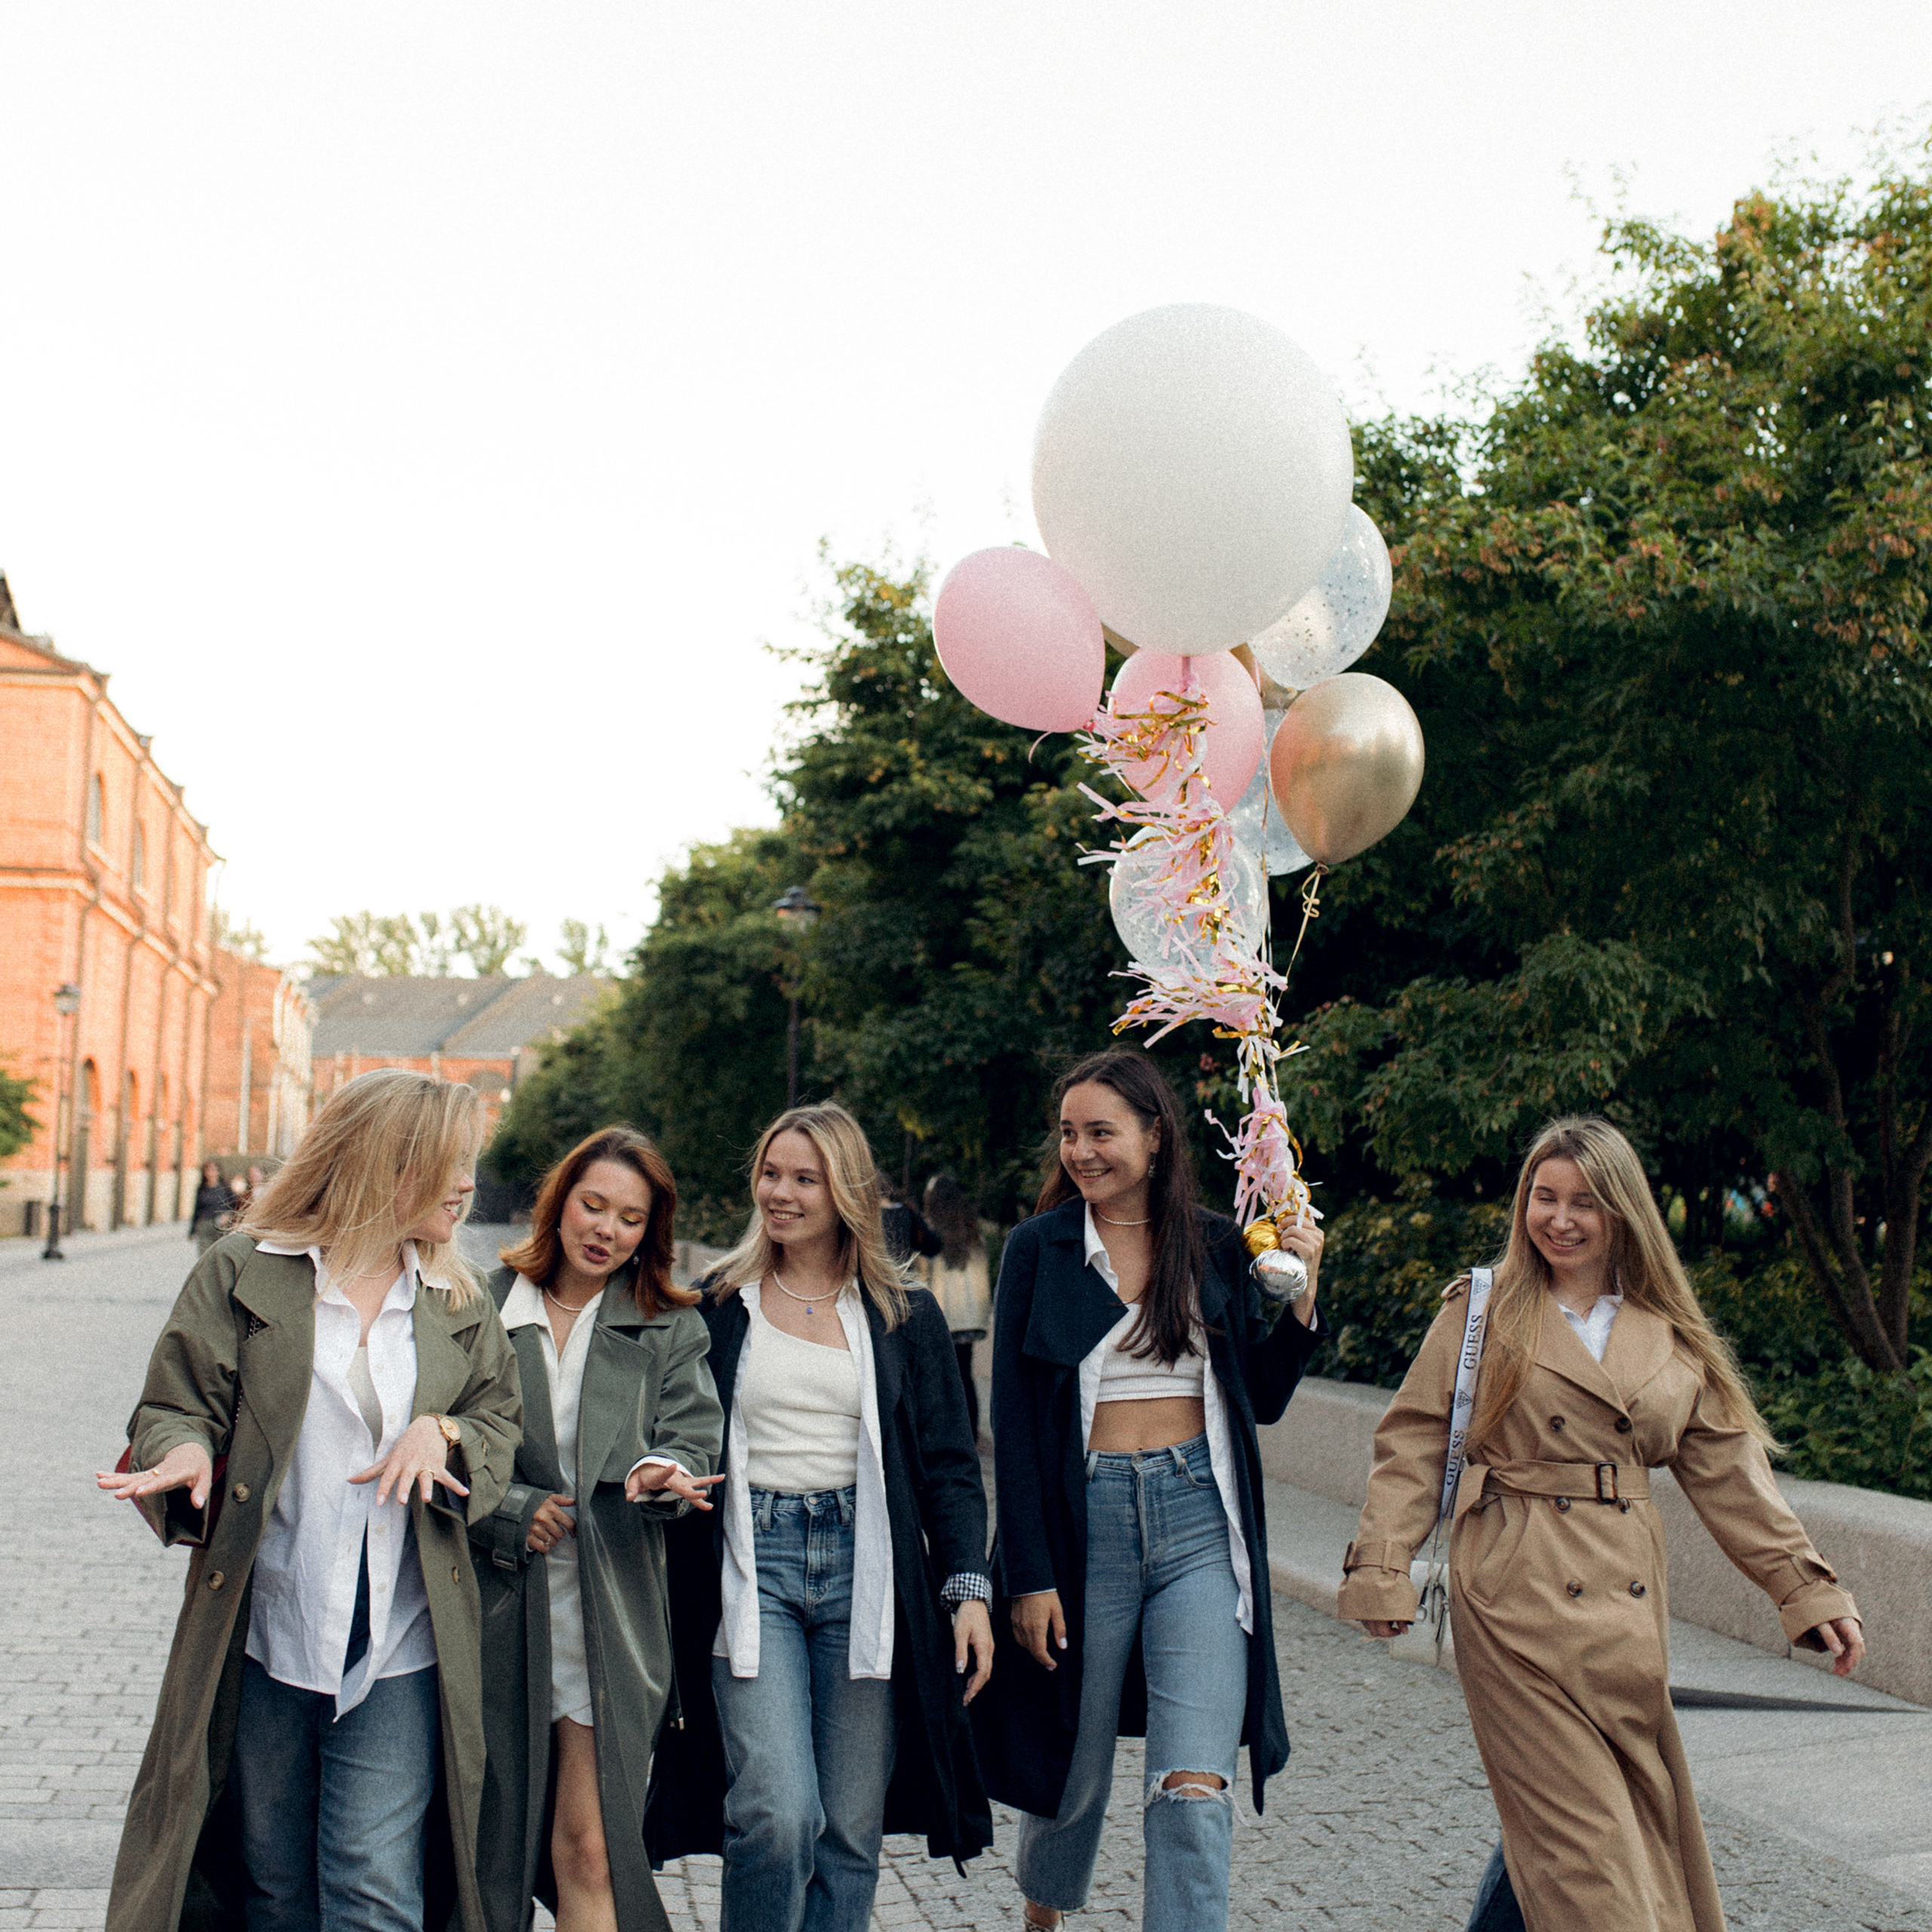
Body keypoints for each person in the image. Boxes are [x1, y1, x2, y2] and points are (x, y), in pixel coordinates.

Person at [1339, 1115, 1866, 1932]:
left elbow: (1730, 1473)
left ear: (1622, 1210)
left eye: (1583, 1201)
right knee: (1588, 1852)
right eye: (1542, 1198)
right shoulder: (1481, 1310)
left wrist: (1805, 1588)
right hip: (1513, 1596)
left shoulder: (1671, 1334)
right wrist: (1381, 1564)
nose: (1558, 1218)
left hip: (1624, 1617)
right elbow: (1411, 1438)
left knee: (1594, 1831)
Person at [97, 1068, 523, 1932]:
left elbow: (498, 1420)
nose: (468, 1183)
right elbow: (177, 1401)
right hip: (265, 1631)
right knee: (275, 1883)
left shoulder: (457, 1298)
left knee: (375, 1885)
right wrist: (182, 1453)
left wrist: (443, 1433)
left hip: (402, 1638)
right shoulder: (246, 1270)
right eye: (450, 1161)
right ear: (383, 1163)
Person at [976, 1048, 1326, 1932]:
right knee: (1074, 1758)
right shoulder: (1040, 1249)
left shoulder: (1211, 1242)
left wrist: (1302, 1294)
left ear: (1155, 1136)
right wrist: (1030, 1575)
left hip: (1198, 1524)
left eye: (1102, 1131)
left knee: (1192, 1783)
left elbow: (1267, 1399)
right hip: (1081, 1521)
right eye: (1069, 1133)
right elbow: (1013, 1427)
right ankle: (1042, 1907)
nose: (1081, 1151)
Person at [647, 1102, 994, 1932]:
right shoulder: (717, 1304)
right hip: (750, 1566)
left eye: (804, 1177)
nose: (781, 1192)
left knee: (848, 1831)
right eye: (771, 1173)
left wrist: (969, 1588)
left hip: (865, 1573)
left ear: (843, 1190)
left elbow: (948, 1464)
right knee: (776, 1812)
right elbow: (670, 1425)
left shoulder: (902, 1313)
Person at [472, 1127, 724, 1932]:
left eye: (629, 1217)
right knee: (487, 1855)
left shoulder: (669, 1324)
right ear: (560, 1202)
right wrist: (511, 1507)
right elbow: (440, 1434)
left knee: (588, 1845)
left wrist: (661, 1474)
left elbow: (689, 1439)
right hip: (491, 1611)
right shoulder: (483, 1304)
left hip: (605, 1615)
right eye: (592, 1204)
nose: (605, 1229)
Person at [916, 1174, 992, 1443]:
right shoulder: (973, 1231)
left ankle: (944, 1436)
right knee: (964, 1375)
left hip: (941, 1317)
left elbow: (922, 1275)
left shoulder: (930, 1231)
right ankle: (969, 1434)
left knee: (938, 1378)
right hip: (969, 1319)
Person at [189, 1159, 236, 1255]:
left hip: (221, 1225)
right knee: (204, 1255)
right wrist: (192, 1230)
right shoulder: (201, 1188)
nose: (211, 1173)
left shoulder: (225, 1187)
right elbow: (197, 1209)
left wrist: (228, 1215)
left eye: (214, 1170)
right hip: (205, 1225)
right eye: (208, 1170)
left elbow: (234, 1205)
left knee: (219, 1255)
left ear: (219, 1171)